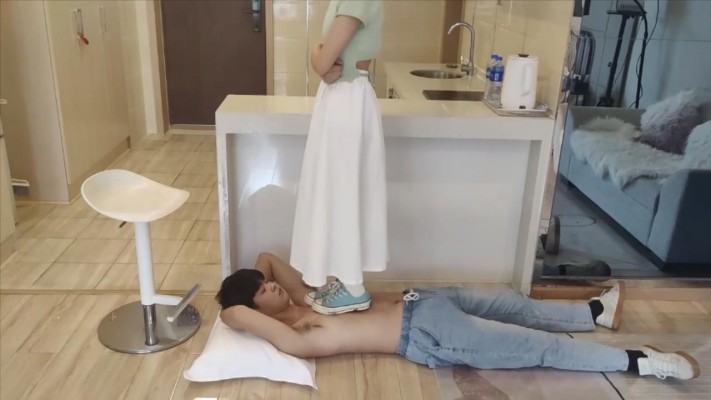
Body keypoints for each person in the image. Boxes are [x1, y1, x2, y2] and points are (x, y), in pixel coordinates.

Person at [216, 252, 701, 381]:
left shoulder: (307, 299)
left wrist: (255, 280)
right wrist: (237, 300)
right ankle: (640, 362)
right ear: (256, 310)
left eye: (264, 282)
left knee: (515, 303)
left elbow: (266, 258)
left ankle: (593, 311)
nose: (268, 285)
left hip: (422, 299)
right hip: (429, 333)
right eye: (260, 291)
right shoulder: (299, 332)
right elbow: (235, 313)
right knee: (537, 348)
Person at [290, 0, 387, 315]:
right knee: (336, 190)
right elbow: (323, 59)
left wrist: (317, 54)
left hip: (347, 100)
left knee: (343, 192)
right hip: (341, 98)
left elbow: (323, 62)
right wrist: (318, 55)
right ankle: (346, 279)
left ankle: (354, 287)